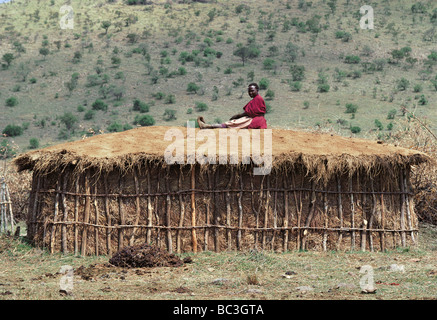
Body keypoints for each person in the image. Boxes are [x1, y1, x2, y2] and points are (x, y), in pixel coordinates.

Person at [197, 83, 267, 129]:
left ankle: (206, 126)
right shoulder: (256, 99)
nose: (250, 93)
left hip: (254, 120)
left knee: (231, 124)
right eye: (249, 91)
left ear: (257, 90)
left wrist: (237, 116)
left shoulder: (258, 99)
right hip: (254, 119)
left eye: (252, 91)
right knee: (232, 123)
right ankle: (208, 126)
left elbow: (250, 113)